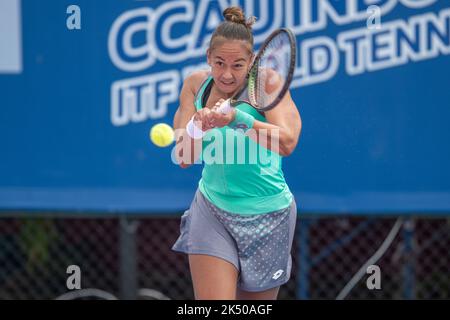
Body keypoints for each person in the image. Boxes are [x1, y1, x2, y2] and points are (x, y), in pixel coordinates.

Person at [172, 6, 302, 300]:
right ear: (208, 58)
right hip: (212, 209)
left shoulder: (267, 83)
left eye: (237, 65)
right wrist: (196, 127)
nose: (227, 74)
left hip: (269, 214)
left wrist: (237, 120)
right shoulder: (196, 85)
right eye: (219, 63)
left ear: (252, 61)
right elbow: (183, 157)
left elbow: (288, 142)